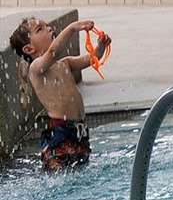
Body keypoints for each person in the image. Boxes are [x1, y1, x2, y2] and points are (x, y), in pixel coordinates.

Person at [9, 17, 108, 171]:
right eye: (40, 29)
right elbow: (53, 51)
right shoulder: (36, 69)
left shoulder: (65, 63)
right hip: (60, 132)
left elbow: (92, 59)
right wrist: (73, 28)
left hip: (79, 130)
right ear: (29, 49)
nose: (49, 28)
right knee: (59, 174)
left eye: (47, 25)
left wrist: (101, 46)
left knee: (79, 171)